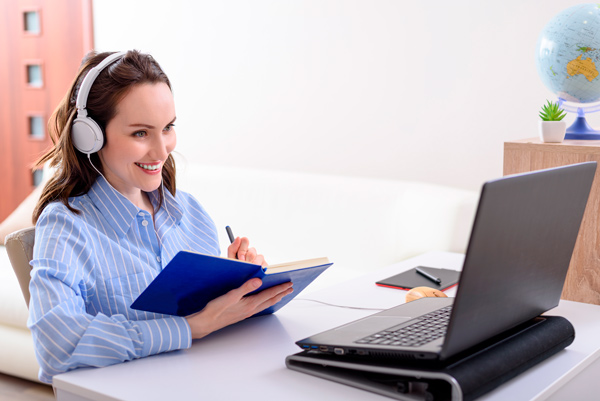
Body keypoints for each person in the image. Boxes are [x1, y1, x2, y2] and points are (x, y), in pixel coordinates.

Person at [28, 50, 293, 384]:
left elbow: (210, 324)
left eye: (167, 128)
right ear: (90, 136)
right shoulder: (66, 225)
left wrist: (238, 286)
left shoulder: (190, 212)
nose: (162, 149)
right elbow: (56, 343)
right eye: (141, 133)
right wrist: (188, 329)